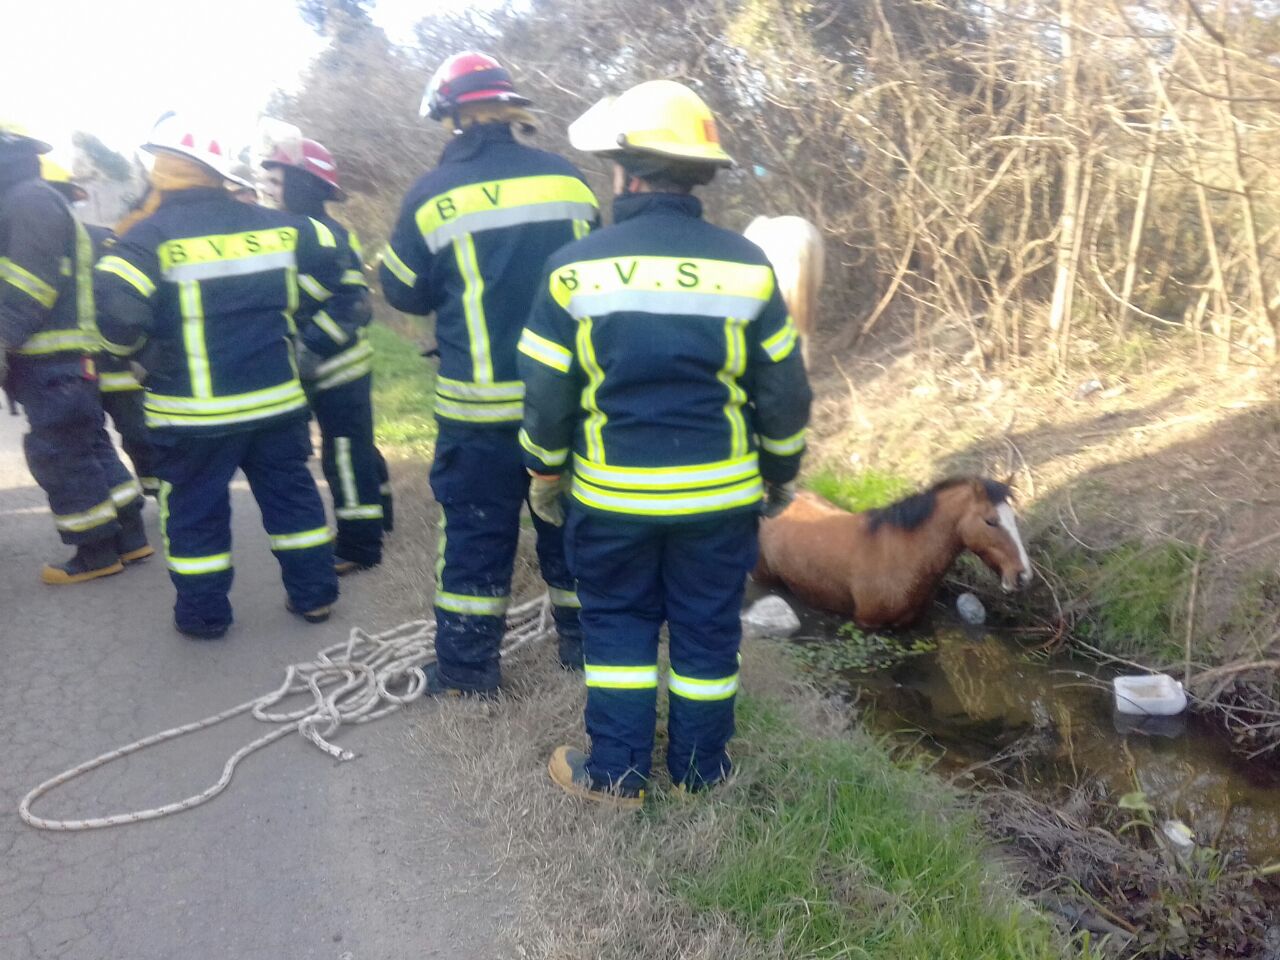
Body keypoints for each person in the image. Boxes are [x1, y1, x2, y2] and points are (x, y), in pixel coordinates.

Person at [517, 81, 812, 807]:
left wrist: (545, 474)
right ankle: (699, 774)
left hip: (612, 500)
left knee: (618, 631)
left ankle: (617, 775)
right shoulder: (745, 266)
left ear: (626, 169)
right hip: (720, 501)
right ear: (698, 170)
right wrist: (779, 474)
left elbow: (548, 397)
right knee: (707, 637)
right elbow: (784, 395)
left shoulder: (575, 268)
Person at [94, 115, 368, 639]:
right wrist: (303, 317)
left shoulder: (144, 239)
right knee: (293, 501)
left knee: (195, 514)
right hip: (277, 404)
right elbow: (341, 265)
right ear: (220, 173)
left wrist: (133, 354)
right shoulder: (279, 227)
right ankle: (314, 598)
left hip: (192, 416)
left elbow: (117, 321)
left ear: (164, 171)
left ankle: (204, 617)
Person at [379, 52, 599, 694]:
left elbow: (401, 291)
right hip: (566, 402)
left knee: (476, 530)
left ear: (449, 117)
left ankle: (469, 671)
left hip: (478, 412)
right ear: (513, 112)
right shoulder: (571, 184)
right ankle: (584, 651)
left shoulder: (430, 195)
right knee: (571, 526)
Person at [0, 121, 149, 584]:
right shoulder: (31, 198)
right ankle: (129, 538)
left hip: (52, 362)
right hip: (64, 363)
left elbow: (28, 285)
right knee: (88, 447)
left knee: (60, 455)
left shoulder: (28, 201)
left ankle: (95, 554)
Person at [261, 137, 390, 574]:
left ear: (303, 183)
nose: (270, 190)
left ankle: (359, 547)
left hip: (336, 367)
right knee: (352, 449)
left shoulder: (317, 234)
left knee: (345, 457)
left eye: (278, 181)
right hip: (318, 364)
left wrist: (310, 346)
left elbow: (354, 303)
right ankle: (378, 516)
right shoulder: (301, 231)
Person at [40, 156, 160, 497]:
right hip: (93, 365)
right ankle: (150, 497)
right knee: (122, 436)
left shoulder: (101, 240)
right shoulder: (100, 238)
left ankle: (155, 495)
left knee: (115, 438)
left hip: (93, 365)